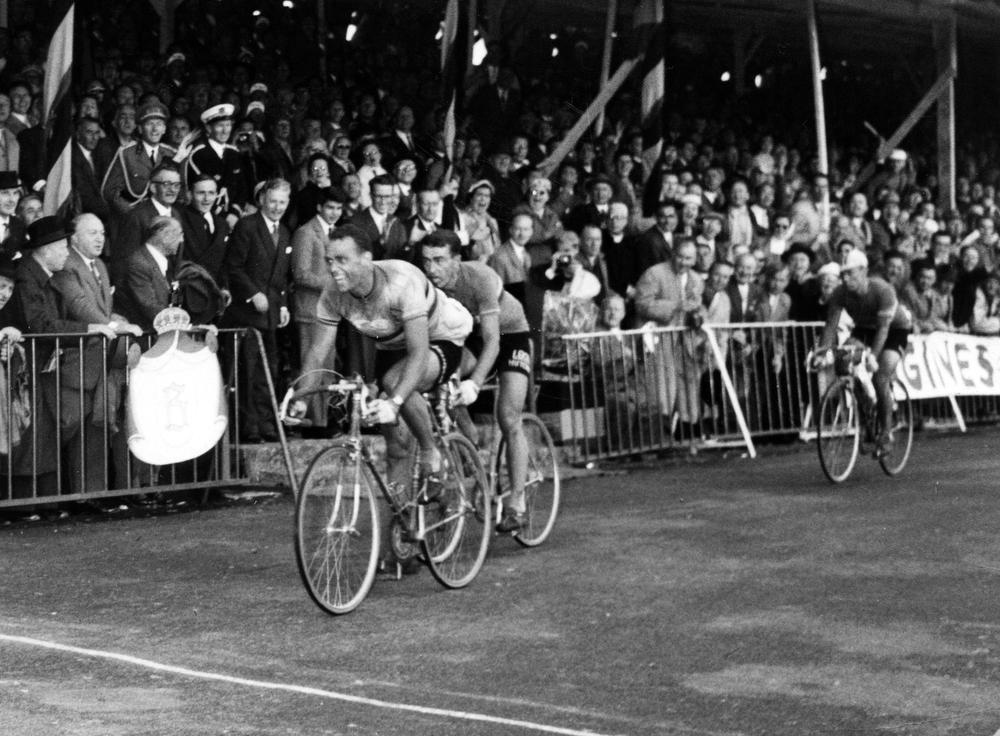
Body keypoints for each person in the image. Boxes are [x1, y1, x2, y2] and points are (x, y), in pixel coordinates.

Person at [297, 224, 473, 503]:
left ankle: (430, 451)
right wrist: (301, 396)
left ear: (366, 259)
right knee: (395, 444)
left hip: (442, 336)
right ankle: (402, 519)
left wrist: (396, 401)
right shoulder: (333, 292)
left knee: (394, 386)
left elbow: (418, 352)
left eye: (342, 260)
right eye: (329, 260)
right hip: (391, 345)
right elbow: (318, 350)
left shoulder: (401, 280)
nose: (333, 268)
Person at [420, 230, 532, 531]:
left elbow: (493, 341)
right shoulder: (427, 286)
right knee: (443, 383)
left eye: (440, 260)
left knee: (508, 417)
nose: (432, 269)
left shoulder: (479, 277)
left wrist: (475, 383)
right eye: (427, 261)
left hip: (509, 335)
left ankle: (516, 503)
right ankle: (470, 442)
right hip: (469, 337)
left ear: (457, 260)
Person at [814, 249, 912, 455]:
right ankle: (866, 406)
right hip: (865, 329)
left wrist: (872, 358)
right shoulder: (840, 293)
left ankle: (886, 434)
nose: (846, 278)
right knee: (842, 361)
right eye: (843, 274)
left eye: (851, 273)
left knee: (880, 377)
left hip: (894, 330)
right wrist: (822, 351)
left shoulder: (882, 290)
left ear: (864, 271)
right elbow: (831, 325)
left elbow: (884, 330)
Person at [224, 178, 293, 443]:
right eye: (273, 201)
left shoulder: (285, 231)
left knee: (269, 372)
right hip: (247, 313)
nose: (277, 207)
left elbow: (281, 276)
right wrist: (253, 294)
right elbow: (234, 267)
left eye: (282, 202)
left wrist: (283, 304)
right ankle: (248, 426)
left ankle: (267, 424)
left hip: (272, 314)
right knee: (248, 371)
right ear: (262, 199)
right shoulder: (247, 226)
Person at [290, 186, 343, 431]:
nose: (334, 213)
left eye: (339, 208)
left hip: (330, 311)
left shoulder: (336, 233)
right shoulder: (305, 232)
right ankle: (308, 421)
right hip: (310, 309)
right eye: (330, 207)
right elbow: (300, 274)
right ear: (319, 207)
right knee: (311, 366)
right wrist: (334, 284)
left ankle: (320, 421)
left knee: (326, 368)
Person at [114, 216, 183, 331]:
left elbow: (173, 297)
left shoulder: (167, 263)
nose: (181, 240)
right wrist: (182, 324)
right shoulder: (139, 263)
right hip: (141, 338)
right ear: (165, 236)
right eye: (179, 234)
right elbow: (149, 306)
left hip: (162, 332)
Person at [185, 103, 251, 222]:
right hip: (206, 216)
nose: (225, 130)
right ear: (209, 128)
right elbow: (197, 191)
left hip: (233, 216)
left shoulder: (234, 153)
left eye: (228, 125)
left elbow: (242, 188)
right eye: (220, 125)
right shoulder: (199, 154)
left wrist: (235, 212)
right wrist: (225, 216)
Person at [178, 174, 231, 298]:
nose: (207, 199)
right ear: (190, 194)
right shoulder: (179, 219)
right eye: (201, 193)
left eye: (211, 193)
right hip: (188, 293)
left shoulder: (222, 224)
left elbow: (224, 262)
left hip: (214, 294)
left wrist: (224, 287)